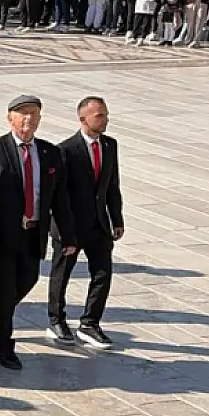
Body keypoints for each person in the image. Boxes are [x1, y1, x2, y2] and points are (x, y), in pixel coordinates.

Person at [0, 95, 76, 370]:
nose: (28, 119)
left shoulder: (50, 153)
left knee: (27, 280)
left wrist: (68, 235)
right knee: (3, 290)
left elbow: (59, 199)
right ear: (10, 118)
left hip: (32, 234)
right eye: (23, 114)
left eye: (34, 114)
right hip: (0, 237)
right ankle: (2, 346)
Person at [47, 96, 123, 348]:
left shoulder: (110, 146)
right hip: (71, 225)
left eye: (106, 114)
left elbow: (112, 185)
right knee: (62, 274)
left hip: (99, 224)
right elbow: (59, 196)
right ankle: (56, 320)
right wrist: (65, 231)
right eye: (99, 115)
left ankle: (90, 323)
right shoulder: (65, 150)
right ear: (83, 119)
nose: (105, 119)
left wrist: (117, 218)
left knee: (103, 273)